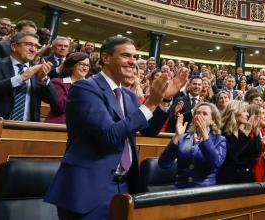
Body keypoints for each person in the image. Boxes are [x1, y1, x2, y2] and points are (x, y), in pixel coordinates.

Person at [44, 36, 188, 220]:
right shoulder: (84, 88)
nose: (132, 62)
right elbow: (109, 135)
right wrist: (151, 103)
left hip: (124, 186)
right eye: (126, 56)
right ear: (106, 58)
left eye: (134, 57)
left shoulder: (128, 96)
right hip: (88, 189)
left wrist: (164, 100)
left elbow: (148, 130)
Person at [0, 32, 56, 153]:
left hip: (24, 134)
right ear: (14, 46)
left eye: (36, 46)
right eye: (28, 44)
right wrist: (20, 78)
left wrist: (45, 80)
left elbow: (54, 101)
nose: (33, 49)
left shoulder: (38, 72)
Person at [158, 102, 226, 188]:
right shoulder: (183, 138)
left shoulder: (219, 140)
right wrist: (177, 136)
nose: (199, 116)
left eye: (204, 114)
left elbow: (216, 163)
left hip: (206, 191)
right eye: (197, 113)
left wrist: (205, 136)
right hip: (181, 190)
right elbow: (163, 164)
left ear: (212, 120)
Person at [217, 101, 262, 184]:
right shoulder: (222, 133)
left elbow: (257, 153)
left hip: (246, 179)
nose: (247, 114)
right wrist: (247, 132)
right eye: (244, 111)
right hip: (229, 181)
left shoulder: (242, 132)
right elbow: (233, 155)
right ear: (234, 112)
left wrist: (256, 133)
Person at [45, 52, 90, 124]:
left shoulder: (90, 86)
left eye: (87, 65)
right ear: (72, 65)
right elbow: (60, 107)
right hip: (59, 127)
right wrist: (79, 87)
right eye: (82, 64)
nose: (85, 68)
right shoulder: (58, 83)